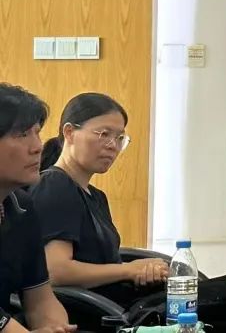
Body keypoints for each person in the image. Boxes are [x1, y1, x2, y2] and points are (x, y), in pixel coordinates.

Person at [29, 93, 168, 308]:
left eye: (120, 138)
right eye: (104, 134)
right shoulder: (55, 185)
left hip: (119, 302)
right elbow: (56, 271)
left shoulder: (96, 196)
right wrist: (129, 270)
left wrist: (143, 270)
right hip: (92, 312)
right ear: (69, 132)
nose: (112, 146)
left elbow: (105, 263)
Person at [0, 83, 76, 333]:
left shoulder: (20, 206)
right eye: (22, 135)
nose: (37, 147)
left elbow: (41, 299)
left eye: (37, 133)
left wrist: (56, 327)